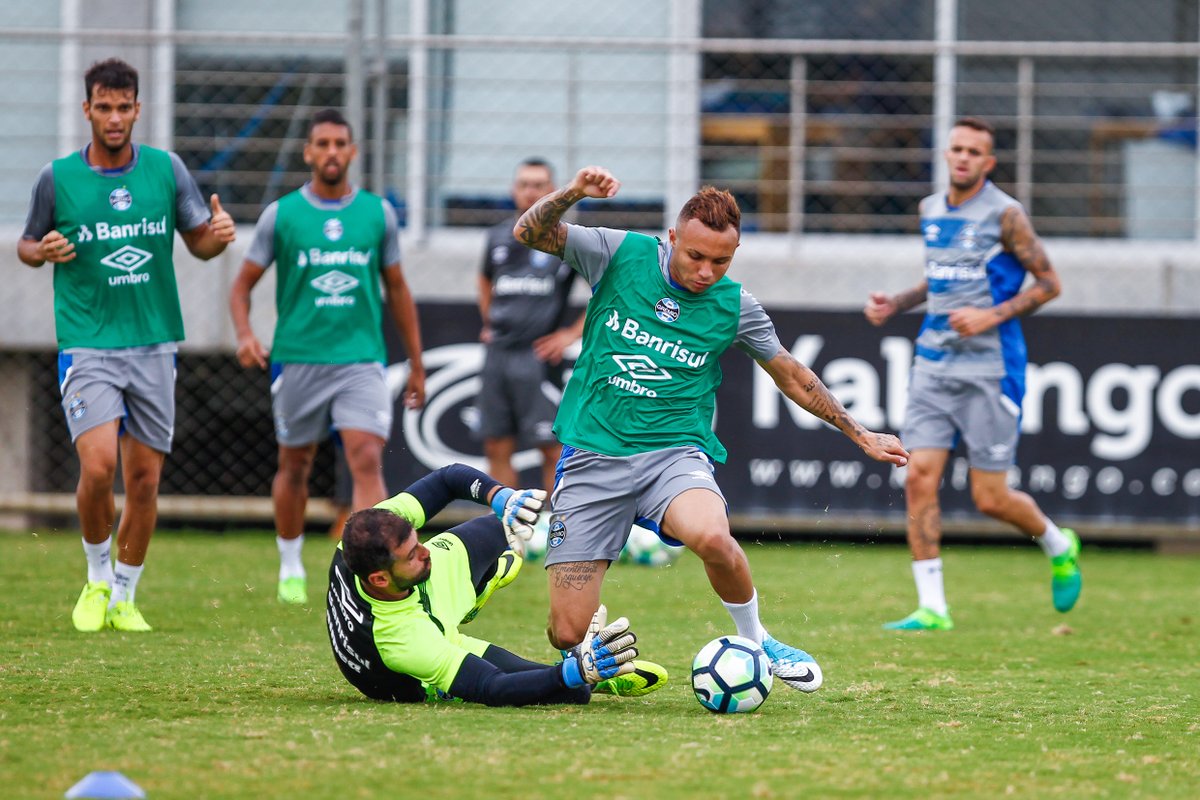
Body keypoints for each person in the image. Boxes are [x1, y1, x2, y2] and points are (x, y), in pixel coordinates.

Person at [514, 166, 910, 693]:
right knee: (563, 632)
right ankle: (594, 649)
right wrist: (573, 194)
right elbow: (529, 232)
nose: (705, 271)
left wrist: (859, 434)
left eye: (720, 261)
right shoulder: (618, 253)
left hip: (672, 455)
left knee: (712, 537)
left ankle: (757, 640)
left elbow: (792, 374)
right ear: (672, 237)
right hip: (592, 455)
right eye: (695, 256)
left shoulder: (736, 307)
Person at [18, 58, 236, 633]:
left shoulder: (165, 170)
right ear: (87, 109)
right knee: (97, 466)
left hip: (154, 343)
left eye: (124, 107)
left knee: (144, 482)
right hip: (88, 342)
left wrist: (216, 238)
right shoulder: (57, 177)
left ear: (138, 110)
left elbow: (199, 245)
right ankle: (95, 576)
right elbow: (25, 244)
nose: (114, 118)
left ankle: (124, 595)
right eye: (104, 107)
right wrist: (43, 251)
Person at [863, 116, 1079, 631]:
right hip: (934, 362)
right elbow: (940, 279)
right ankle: (932, 606)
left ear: (988, 162)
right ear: (947, 154)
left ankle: (1057, 542)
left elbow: (1049, 284)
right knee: (917, 476)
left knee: (991, 498)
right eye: (956, 148)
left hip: (990, 367)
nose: (962, 157)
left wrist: (989, 315)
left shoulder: (1007, 215)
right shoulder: (930, 209)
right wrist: (899, 301)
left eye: (973, 151)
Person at [229, 109, 426, 605]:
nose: (332, 152)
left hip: (360, 358)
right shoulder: (283, 215)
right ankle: (290, 562)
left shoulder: (377, 214)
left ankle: (367, 571)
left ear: (353, 151)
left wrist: (417, 363)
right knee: (295, 463)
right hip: (297, 359)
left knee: (365, 457)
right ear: (309, 152)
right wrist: (246, 334)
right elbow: (241, 285)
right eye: (323, 143)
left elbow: (398, 290)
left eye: (341, 142)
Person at [327, 463, 667, 705]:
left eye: (419, 542)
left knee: (507, 525)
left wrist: (499, 496)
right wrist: (576, 672)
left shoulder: (369, 533)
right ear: (379, 578)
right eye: (411, 554)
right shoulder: (405, 642)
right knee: (572, 691)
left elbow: (447, 479)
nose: (425, 552)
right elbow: (494, 687)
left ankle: (476, 586)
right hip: (427, 641)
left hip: (414, 595)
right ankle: (592, 669)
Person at [477, 158, 584, 490]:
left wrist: (569, 334)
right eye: (524, 184)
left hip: (538, 359)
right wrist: (488, 319)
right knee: (496, 444)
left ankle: (557, 536)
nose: (530, 192)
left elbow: (606, 290)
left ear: (552, 192)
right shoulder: (497, 237)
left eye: (538, 185)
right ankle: (505, 534)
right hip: (498, 355)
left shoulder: (567, 240)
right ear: (513, 190)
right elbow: (484, 279)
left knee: (551, 449)